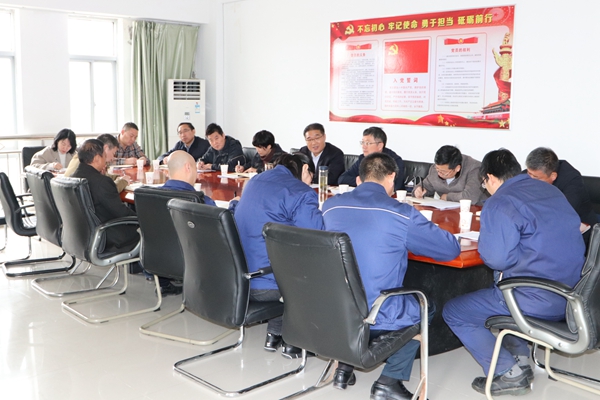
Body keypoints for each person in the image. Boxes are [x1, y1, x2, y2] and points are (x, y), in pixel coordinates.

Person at [442, 149, 585, 397]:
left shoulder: (500, 202)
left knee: (455, 311)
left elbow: (496, 259)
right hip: (574, 297)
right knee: (502, 287)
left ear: (490, 177)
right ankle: (520, 357)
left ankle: (508, 373)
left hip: (537, 299)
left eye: (484, 183)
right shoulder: (551, 191)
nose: (486, 189)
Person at [322, 152, 460, 399]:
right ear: (392, 178)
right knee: (425, 306)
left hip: (334, 308)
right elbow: (449, 249)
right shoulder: (400, 213)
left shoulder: (330, 206)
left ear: (359, 180)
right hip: (377, 313)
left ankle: (344, 365)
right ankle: (389, 381)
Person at [233, 153, 324, 359]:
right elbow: (316, 235)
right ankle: (296, 341)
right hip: (270, 284)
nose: (310, 181)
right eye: (311, 176)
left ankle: (275, 334)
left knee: (278, 254)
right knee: (317, 265)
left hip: (240, 278)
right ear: (304, 169)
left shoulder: (253, 181)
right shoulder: (301, 191)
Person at [71, 139, 139, 251]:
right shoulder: (101, 182)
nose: (106, 160)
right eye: (104, 156)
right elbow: (121, 212)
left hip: (82, 235)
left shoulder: (72, 177)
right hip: (107, 236)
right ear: (97, 158)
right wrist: (142, 218)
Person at [526, 147, 597, 248]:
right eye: (529, 174)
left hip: (580, 236)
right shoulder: (532, 173)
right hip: (546, 231)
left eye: (536, 177)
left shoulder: (572, 181)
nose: (530, 180)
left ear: (553, 176)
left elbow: (563, 212)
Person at [413, 145, 488, 205]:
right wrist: (418, 190)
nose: (439, 173)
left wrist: (447, 197)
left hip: (475, 211)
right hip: (446, 211)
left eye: (443, 172)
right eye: (437, 169)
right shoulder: (435, 168)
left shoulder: (474, 168)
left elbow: (470, 197)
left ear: (457, 168)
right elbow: (425, 186)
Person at [338, 127, 405, 190]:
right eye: (363, 142)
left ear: (380, 146)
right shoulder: (363, 159)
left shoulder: (394, 161)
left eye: (367, 143)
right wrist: (364, 182)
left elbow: (395, 186)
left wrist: (366, 183)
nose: (363, 146)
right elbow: (342, 179)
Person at [64, 134, 130, 193]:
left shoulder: (84, 159)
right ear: (105, 148)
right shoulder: (85, 163)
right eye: (113, 153)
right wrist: (123, 182)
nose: (113, 158)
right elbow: (106, 190)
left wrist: (116, 177)